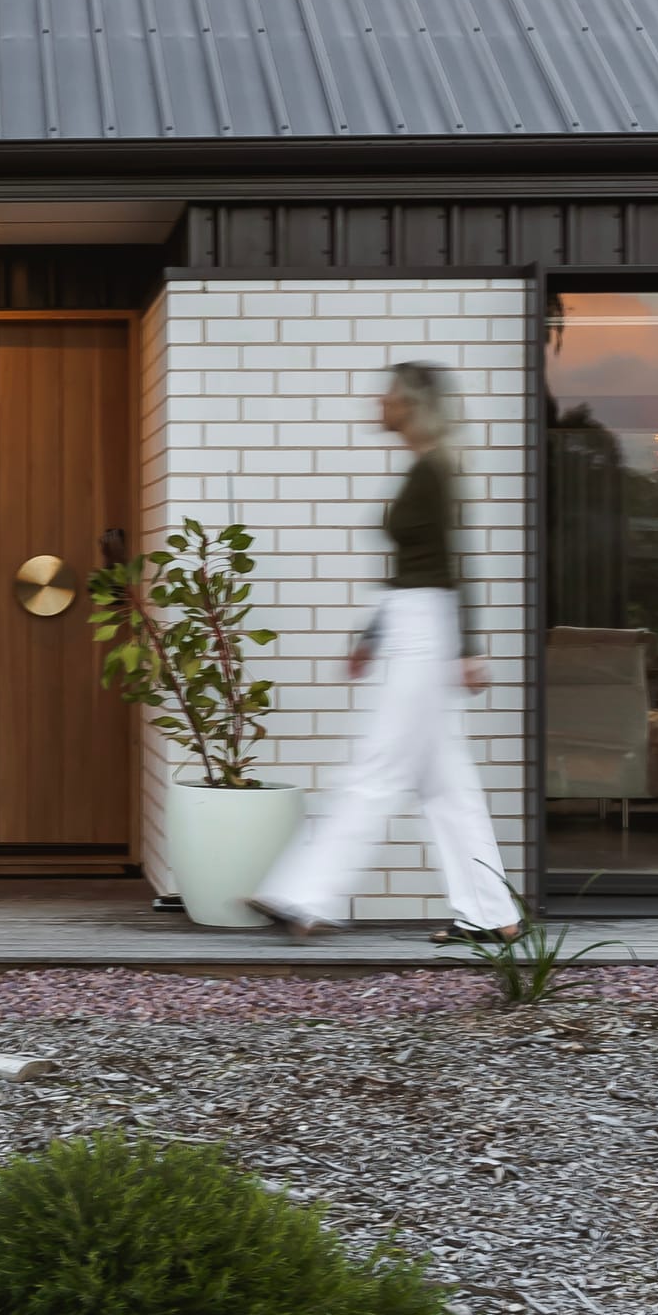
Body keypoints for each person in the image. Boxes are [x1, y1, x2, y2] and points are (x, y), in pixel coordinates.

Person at [252, 360, 519, 945]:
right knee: (446, 784)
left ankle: (306, 896)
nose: (380, 403)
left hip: (428, 631)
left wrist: (468, 650)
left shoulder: (438, 470)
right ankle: (491, 912)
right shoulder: (423, 468)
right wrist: (374, 634)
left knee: (376, 767)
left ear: (414, 405)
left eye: (391, 396)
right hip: (411, 623)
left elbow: (454, 566)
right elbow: (409, 569)